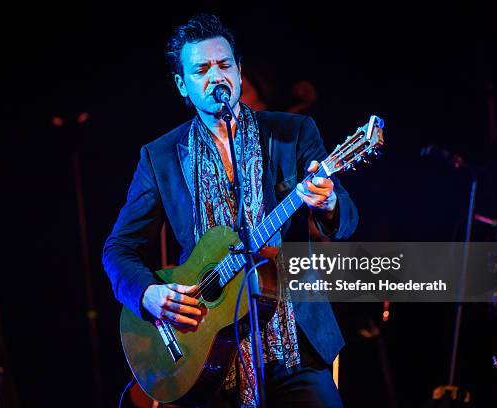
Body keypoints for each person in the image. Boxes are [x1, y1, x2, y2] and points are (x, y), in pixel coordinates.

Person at [103, 14, 359, 407]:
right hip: (207, 355)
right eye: (201, 69)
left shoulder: (293, 132)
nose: (215, 76)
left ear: (239, 71)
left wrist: (329, 202)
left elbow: (346, 219)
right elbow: (118, 249)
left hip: (294, 346)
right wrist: (149, 294)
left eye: (224, 65)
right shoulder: (161, 157)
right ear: (182, 85)